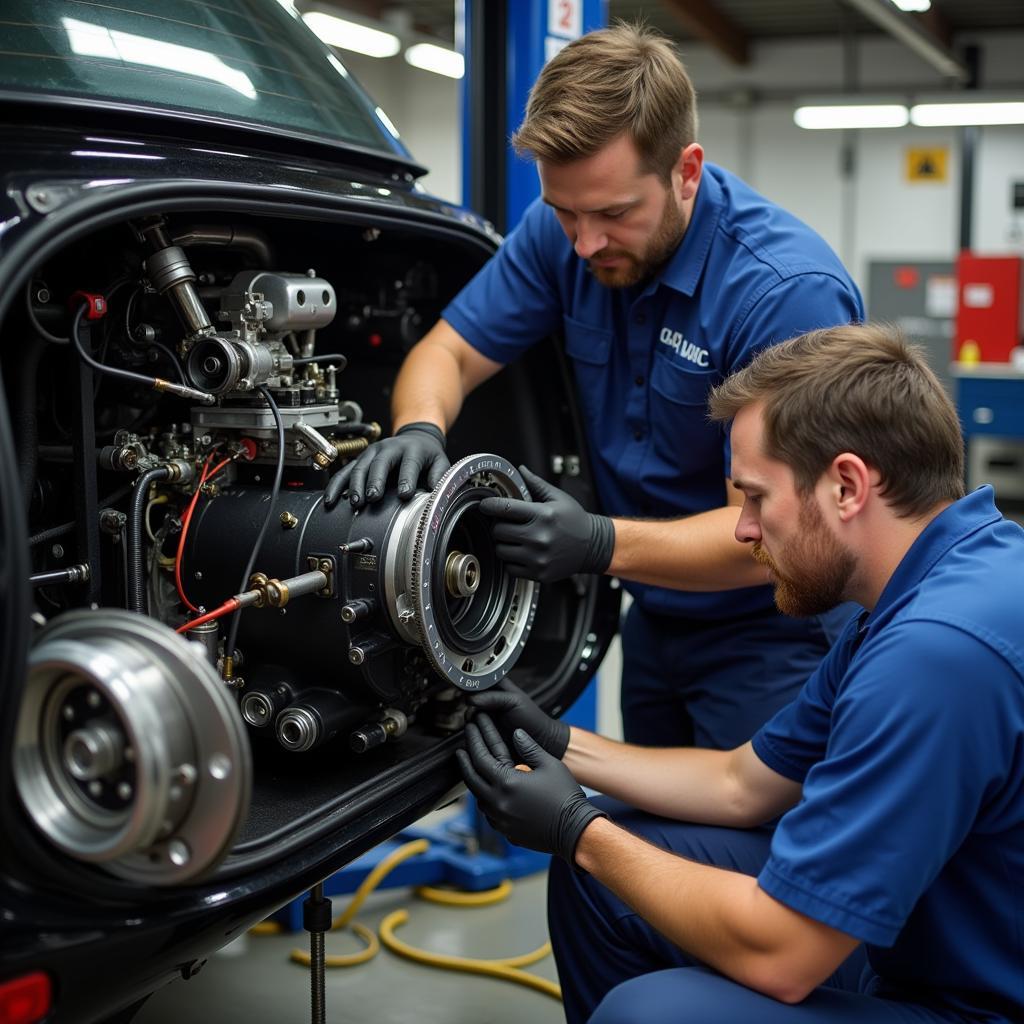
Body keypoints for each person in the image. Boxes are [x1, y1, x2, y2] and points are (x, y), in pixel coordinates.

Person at [459, 323, 1024, 1024]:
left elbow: (784, 956)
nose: (743, 530)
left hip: (977, 1003)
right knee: (604, 874)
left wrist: (577, 828)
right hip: (923, 938)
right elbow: (741, 785)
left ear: (847, 485)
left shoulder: (934, 655)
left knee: (648, 1015)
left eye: (756, 497)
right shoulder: (929, 584)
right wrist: (559, 744)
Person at [327, 23, 864, 750]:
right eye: (565, 213)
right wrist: (420, 426)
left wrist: (597, 543)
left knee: (751, 853)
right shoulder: (565, 239)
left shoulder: (783, 295)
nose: (584, 245)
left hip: (775, 636)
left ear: (687, 170)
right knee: (644, 836)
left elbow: (770, 536)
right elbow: (446, 354)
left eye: (614, 214)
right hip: (655, 623)